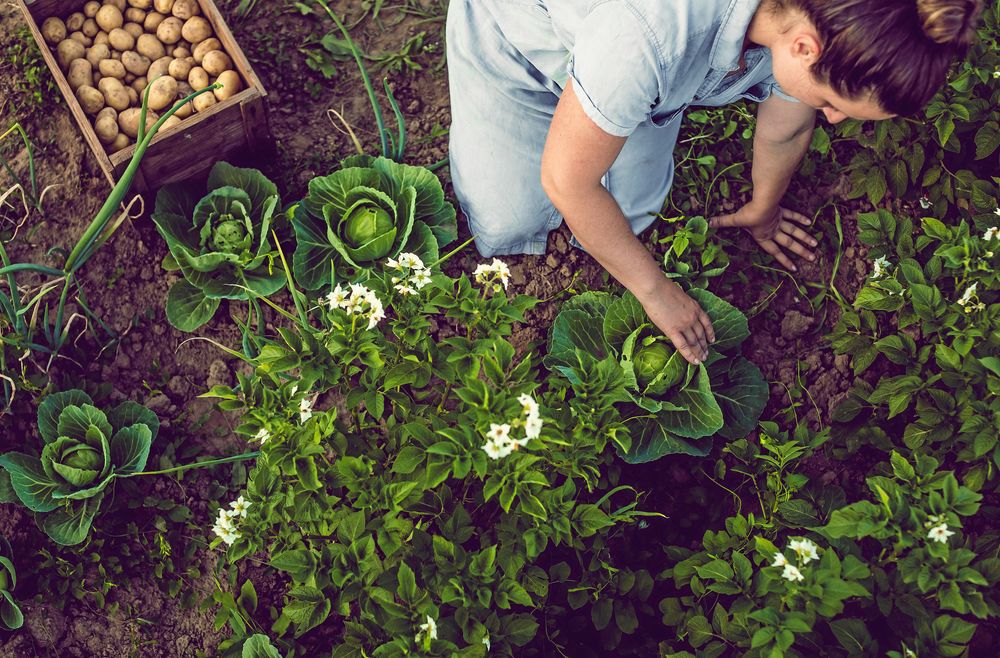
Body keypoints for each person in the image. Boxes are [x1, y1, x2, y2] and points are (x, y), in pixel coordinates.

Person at [445, 0, 984, 365]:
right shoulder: (649, 34)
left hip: (635, 82)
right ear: (803, 48)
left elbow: (787, 121)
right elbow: (567, 183)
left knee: (632, 218)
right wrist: (657, 293)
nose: (834, 122)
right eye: (831, 104)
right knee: (507, 225)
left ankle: (613, 119)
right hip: (522, 46)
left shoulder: (820, 20)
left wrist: (764, 208)